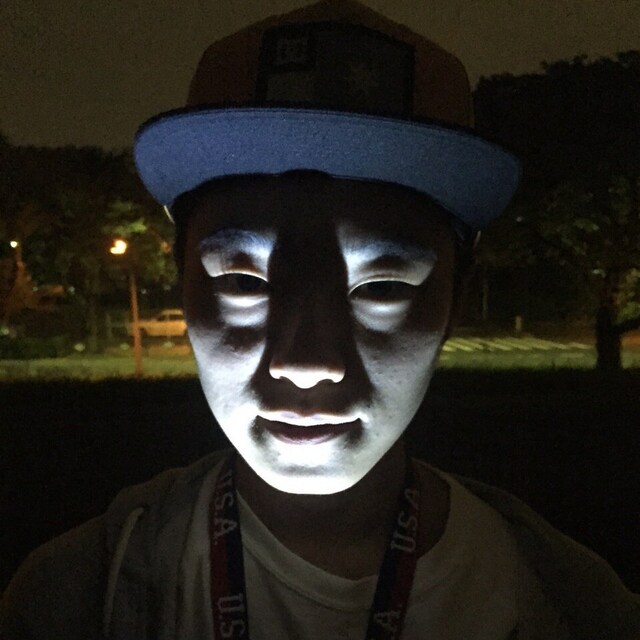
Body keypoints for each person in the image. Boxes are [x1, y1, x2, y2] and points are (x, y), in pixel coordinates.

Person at [2, 0, 639, 638]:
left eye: (383, 286)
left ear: (456, 299)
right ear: (182, 283)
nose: (306, 363)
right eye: (242, 282)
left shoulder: (577, 605)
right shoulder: (69, 599)